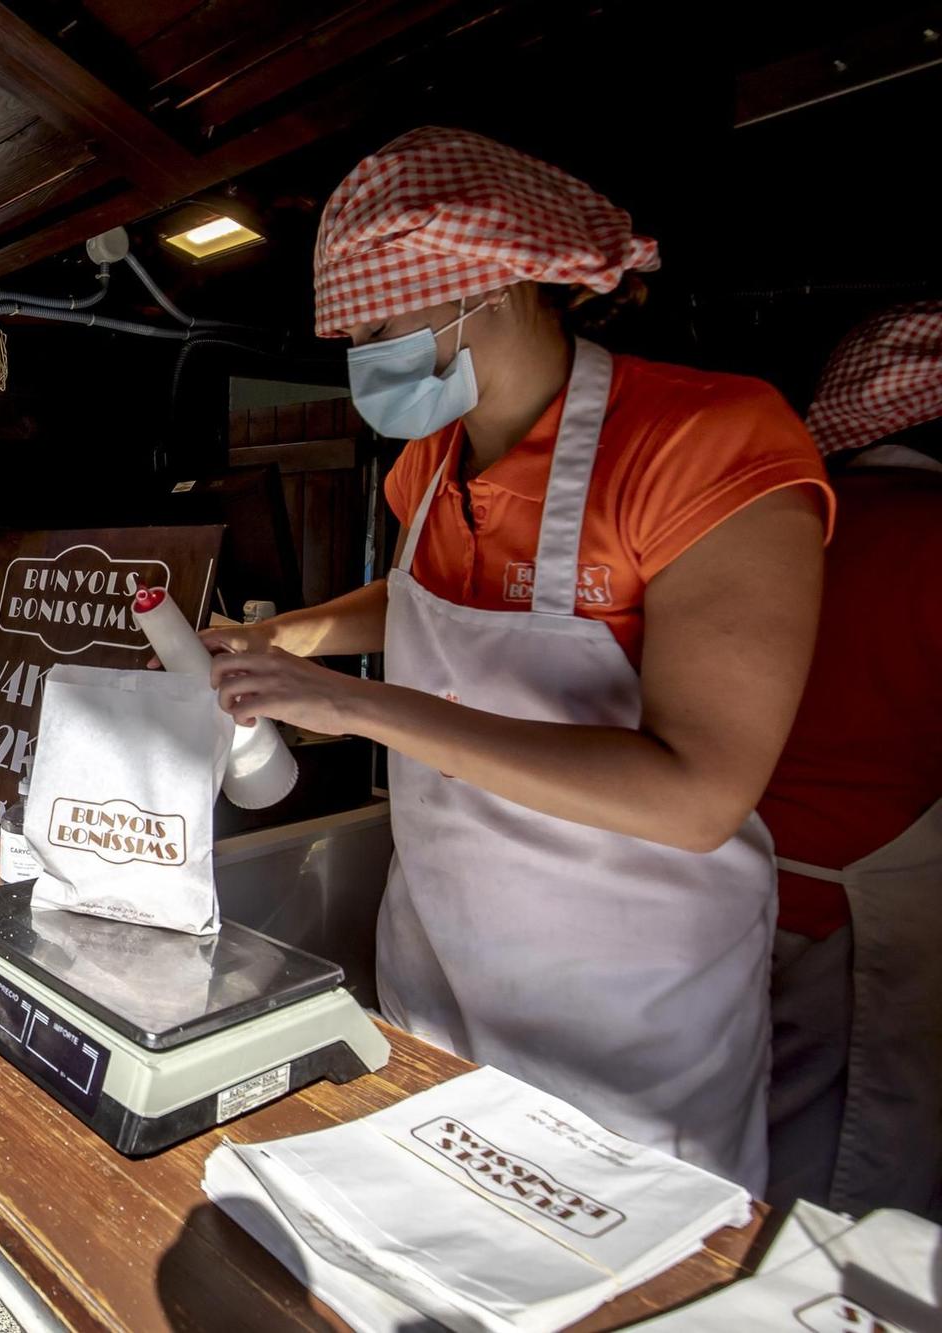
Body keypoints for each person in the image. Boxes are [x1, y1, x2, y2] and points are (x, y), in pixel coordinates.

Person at [202, 128, 830, 1190]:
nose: (362, 352)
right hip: (438, 959)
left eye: (379, 322)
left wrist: (356, 709)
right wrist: (286, 635)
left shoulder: (706, 445)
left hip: (626, 1009)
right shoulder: (425, 463)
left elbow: (696, 796)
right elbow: (415, 598)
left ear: (482, 289)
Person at [758, 304, 942, 1218]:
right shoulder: (932, 538)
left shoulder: (775, 530)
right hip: (867, 914)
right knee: (844, 1177)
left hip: (720, 887)